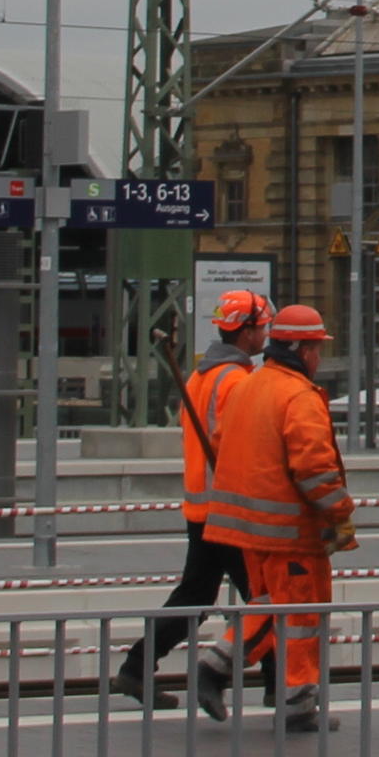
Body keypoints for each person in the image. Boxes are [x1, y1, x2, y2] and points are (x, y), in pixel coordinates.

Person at [197, 302, 358, 732]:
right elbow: (314, 468)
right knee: (301, 617)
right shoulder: (297, 395)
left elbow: (220, 439)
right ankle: (295, 704)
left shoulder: (247, 385)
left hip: (248, 528)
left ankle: (221, 670)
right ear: (302, 350)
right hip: (291, 530)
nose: (319, 357)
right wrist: (341, 510)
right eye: (317, 348)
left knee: (271, 605)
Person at [110, 287, 267, 706]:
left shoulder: (201, 377)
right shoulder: (237, 381)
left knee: (196, 594)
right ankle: (279, 687)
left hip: (202, 506)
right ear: (247, 332)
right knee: (266, 599)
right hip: (230, 507)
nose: (265, 334)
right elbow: (243, 444)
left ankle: (135, 669)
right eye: (262, 327)